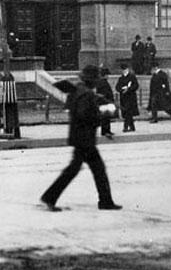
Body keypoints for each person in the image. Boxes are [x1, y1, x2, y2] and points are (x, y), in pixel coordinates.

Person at [40, 66, 121, 213]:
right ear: (92, 80)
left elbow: (79, 105)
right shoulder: (86, 94)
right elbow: (85, 115)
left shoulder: (78, 90)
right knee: (96, 170)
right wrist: (103, 114)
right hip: (85, 139)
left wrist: (99, 102)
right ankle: (105, 202)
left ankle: (50, 197)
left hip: (79, 137)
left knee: (78, 170)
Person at [115, 63, 139, 132]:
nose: (124, 71)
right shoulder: (121, 78)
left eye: (125, 69)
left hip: (130, 97)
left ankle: (125, 127)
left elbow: (136, 85)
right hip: (123, 97)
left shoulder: (132, 77)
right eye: (123, 70)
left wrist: (129, 89)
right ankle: (132, 126)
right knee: (127, 113)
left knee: (128, 112)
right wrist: (122, 90)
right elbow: (117, 87)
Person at [95, 66, 116, 139]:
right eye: (107, 75)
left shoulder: (102, 82)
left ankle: (107, 130)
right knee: (105, 117)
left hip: (104, 102)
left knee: (106, 117)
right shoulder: (102, 82)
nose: (108, 76)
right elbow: (104, 93)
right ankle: (105, 131)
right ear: (105, 75)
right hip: (105, 102)